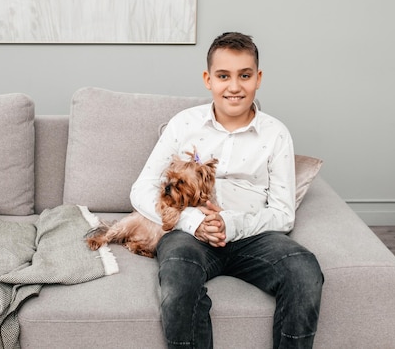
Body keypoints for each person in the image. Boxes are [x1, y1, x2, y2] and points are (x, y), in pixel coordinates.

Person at [130, 32, 324, 349]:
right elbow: (141, 190)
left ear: (258, 78)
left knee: (304, 270)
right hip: (191, 235)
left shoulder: (276, 134)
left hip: (254, 235)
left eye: (244, 75)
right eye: (224, 76)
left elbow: (283, 214)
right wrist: (193, 222)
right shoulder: (183, 124)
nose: (234, 87)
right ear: (208, 79)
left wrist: (230, 224)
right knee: (178, 276)